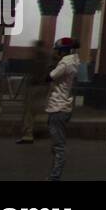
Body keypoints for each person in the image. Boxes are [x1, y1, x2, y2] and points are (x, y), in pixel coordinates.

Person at [45, 37, 81, 181]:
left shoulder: (65, 64)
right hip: (63, 107)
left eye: (57, 50)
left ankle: (55, 177)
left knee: (58, 146)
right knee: (56, 145)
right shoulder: (73, 61)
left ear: (63, 51)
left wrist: (51, 65)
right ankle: (54, 174)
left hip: (58, 107)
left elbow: (49, 77)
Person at [16, 40, 53, 144]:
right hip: (44, 86)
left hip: (35, 86)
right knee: (39, 107)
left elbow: (33, 71)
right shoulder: (48, 57)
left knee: (29, 111)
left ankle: (28, 135)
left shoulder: (37, 56)